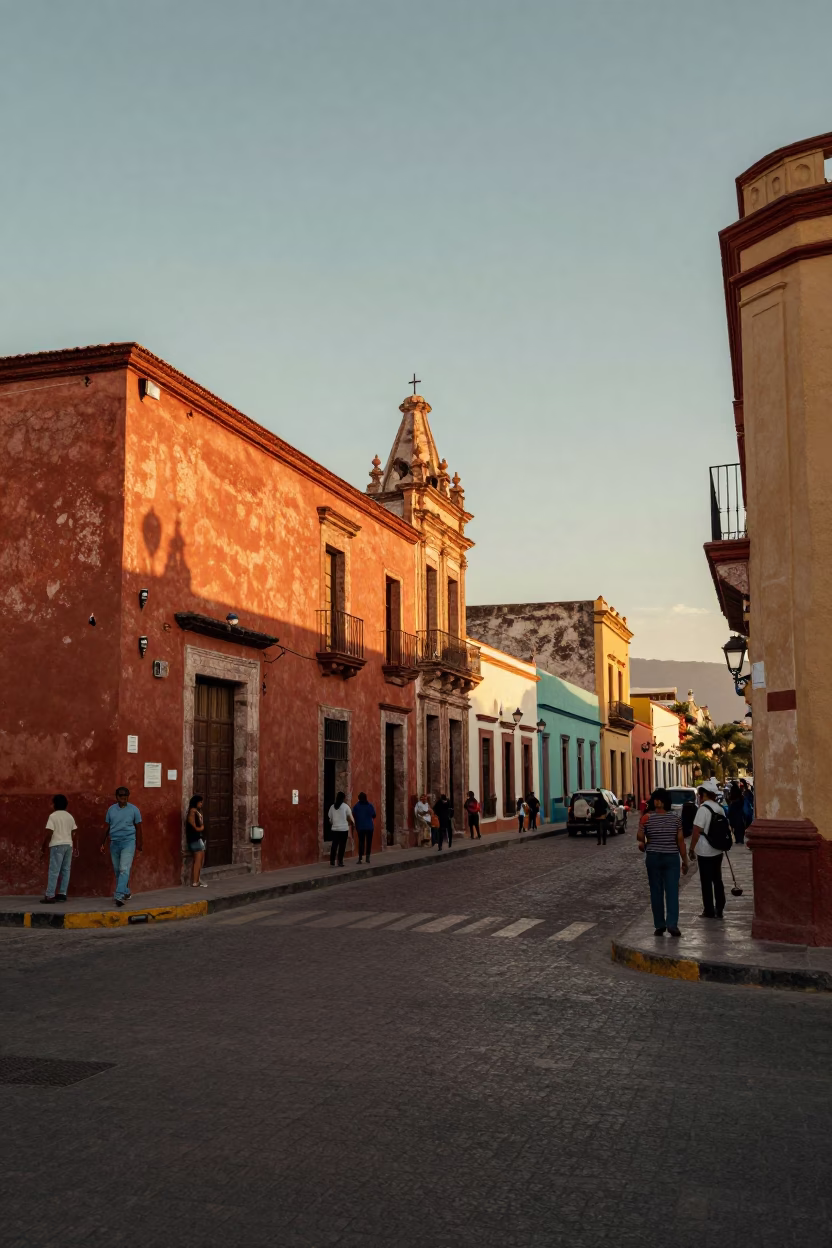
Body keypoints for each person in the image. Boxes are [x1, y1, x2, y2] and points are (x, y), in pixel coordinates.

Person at [637, 787, 689, 937]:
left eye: (658, 798)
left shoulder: (646, 818)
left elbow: (640, 837)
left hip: (654, 856)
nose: (657, 800)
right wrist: (684, 860)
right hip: (671, 857)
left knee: (656, 891)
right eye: (656, 798)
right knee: (672, 891)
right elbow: (680, 841)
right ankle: (672, 924)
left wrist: (648, 838)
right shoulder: (675, 818)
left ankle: (660, 925)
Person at [689, 780, 727, 919]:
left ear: (703, 794)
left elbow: (696, 830)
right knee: (717, 879)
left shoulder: (703, 809)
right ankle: (720, 907)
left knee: (706, 881)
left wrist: (691, 848)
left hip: (705, 850)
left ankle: (709, 910)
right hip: (717, 849)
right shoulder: (719, 808)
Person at [100, 786, 142, 907]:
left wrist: (140, 843)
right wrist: (102, 843)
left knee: (124, 868)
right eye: (121, 796)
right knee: (118, 870)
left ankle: (119, 895)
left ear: (128, 797)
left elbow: (139, 827)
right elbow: (107, 827)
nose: (123, 798)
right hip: (114, 842)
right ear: (117, 797)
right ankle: (126, 892)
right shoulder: (111, 810)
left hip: (128, 841)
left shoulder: (134, 810)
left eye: (125, 796)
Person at [40, 794, 77, 904]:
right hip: (68, 844)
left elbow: (50, 832)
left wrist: (44, 846)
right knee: (66, 870)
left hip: (57, 845)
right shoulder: (69, 816)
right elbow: (74, 832)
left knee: (54, 870)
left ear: (54, 804)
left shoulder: (53, 816)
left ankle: (50, 894)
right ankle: (62, 893)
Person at [186, 795, 208, 887]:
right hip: (194, 838)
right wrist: (201, 828)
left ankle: (197, 879)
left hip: (198, 838)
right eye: (200, 802)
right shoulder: (192, 811)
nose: (201, 804)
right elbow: (194, 826)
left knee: (201, 859)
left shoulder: (197, 812)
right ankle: (195, 881)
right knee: (198, 861)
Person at [327, 792, 354, 867]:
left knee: (334, 845)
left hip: (335, 829)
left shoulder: (332, 807)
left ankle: (332, 861)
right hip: (344, 829)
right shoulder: (345, 806)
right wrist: (353, 823)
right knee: (342, 846)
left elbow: (330, 817)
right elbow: (350, 817)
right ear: (343, 798)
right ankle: (340, 861)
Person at [353, 792, 376, 864]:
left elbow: (353, 814)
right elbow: (374, 815)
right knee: (369, 842)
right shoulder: (370, 806)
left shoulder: (356, 806)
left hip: (360, 827)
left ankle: (360, 859)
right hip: (369, 827)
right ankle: (367, 858)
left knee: (361, 842)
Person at [727, 782, 746, 846]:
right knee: (740, 828)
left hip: (734, 814)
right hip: (740, 814)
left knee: (735, 828)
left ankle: (738, 840)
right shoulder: (740, 795)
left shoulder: (732, 794)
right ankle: (740, 840)